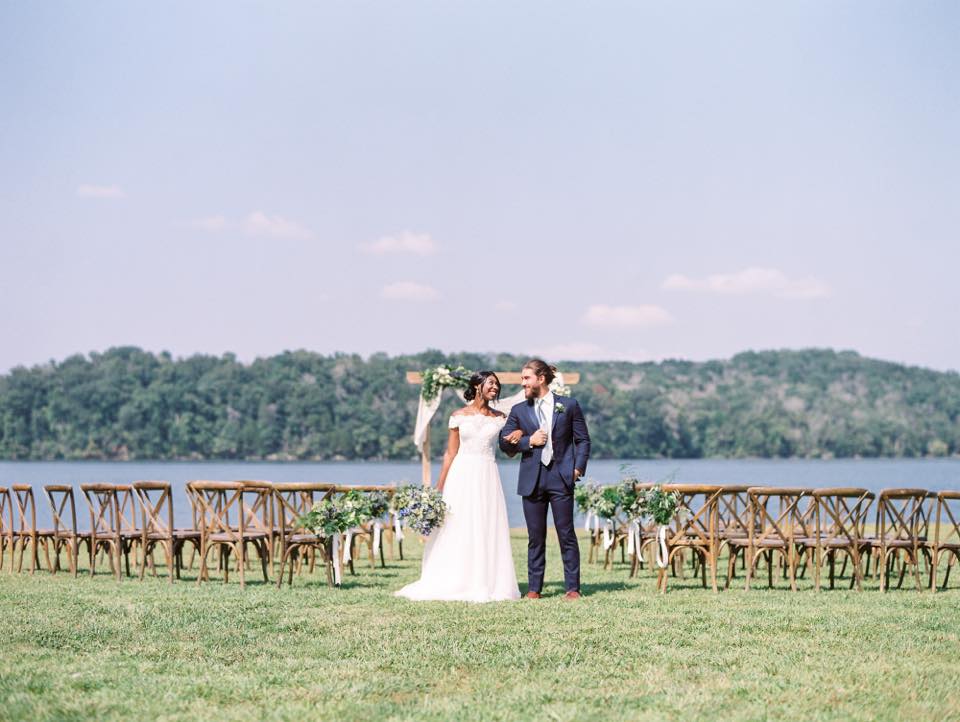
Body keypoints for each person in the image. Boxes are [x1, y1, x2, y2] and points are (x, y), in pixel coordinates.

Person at [395, 371, 521, 602]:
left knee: (486, 523)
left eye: (497, 384)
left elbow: (509, 450)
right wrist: (440, 486)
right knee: (458, 523)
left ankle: (486, 580)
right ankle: (455, 577)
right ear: (477, 386)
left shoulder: (501, 418)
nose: (496, 387)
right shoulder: (458, 416)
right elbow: (450, 454)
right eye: (491, 383)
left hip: (487, 474)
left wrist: (519, 434)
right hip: (461, 474)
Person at [499, 359, 591, 599]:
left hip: (561, 477)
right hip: (532, 479)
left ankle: (572, 588)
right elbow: (503, 442)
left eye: (526, 378)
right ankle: (534, 589)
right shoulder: (519, 410)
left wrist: (578, 469)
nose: (523, 383)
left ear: (540, 379)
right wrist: (528, 441)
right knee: (535, 536)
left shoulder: (568, 406)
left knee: (566, 533)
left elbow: (583, 440)